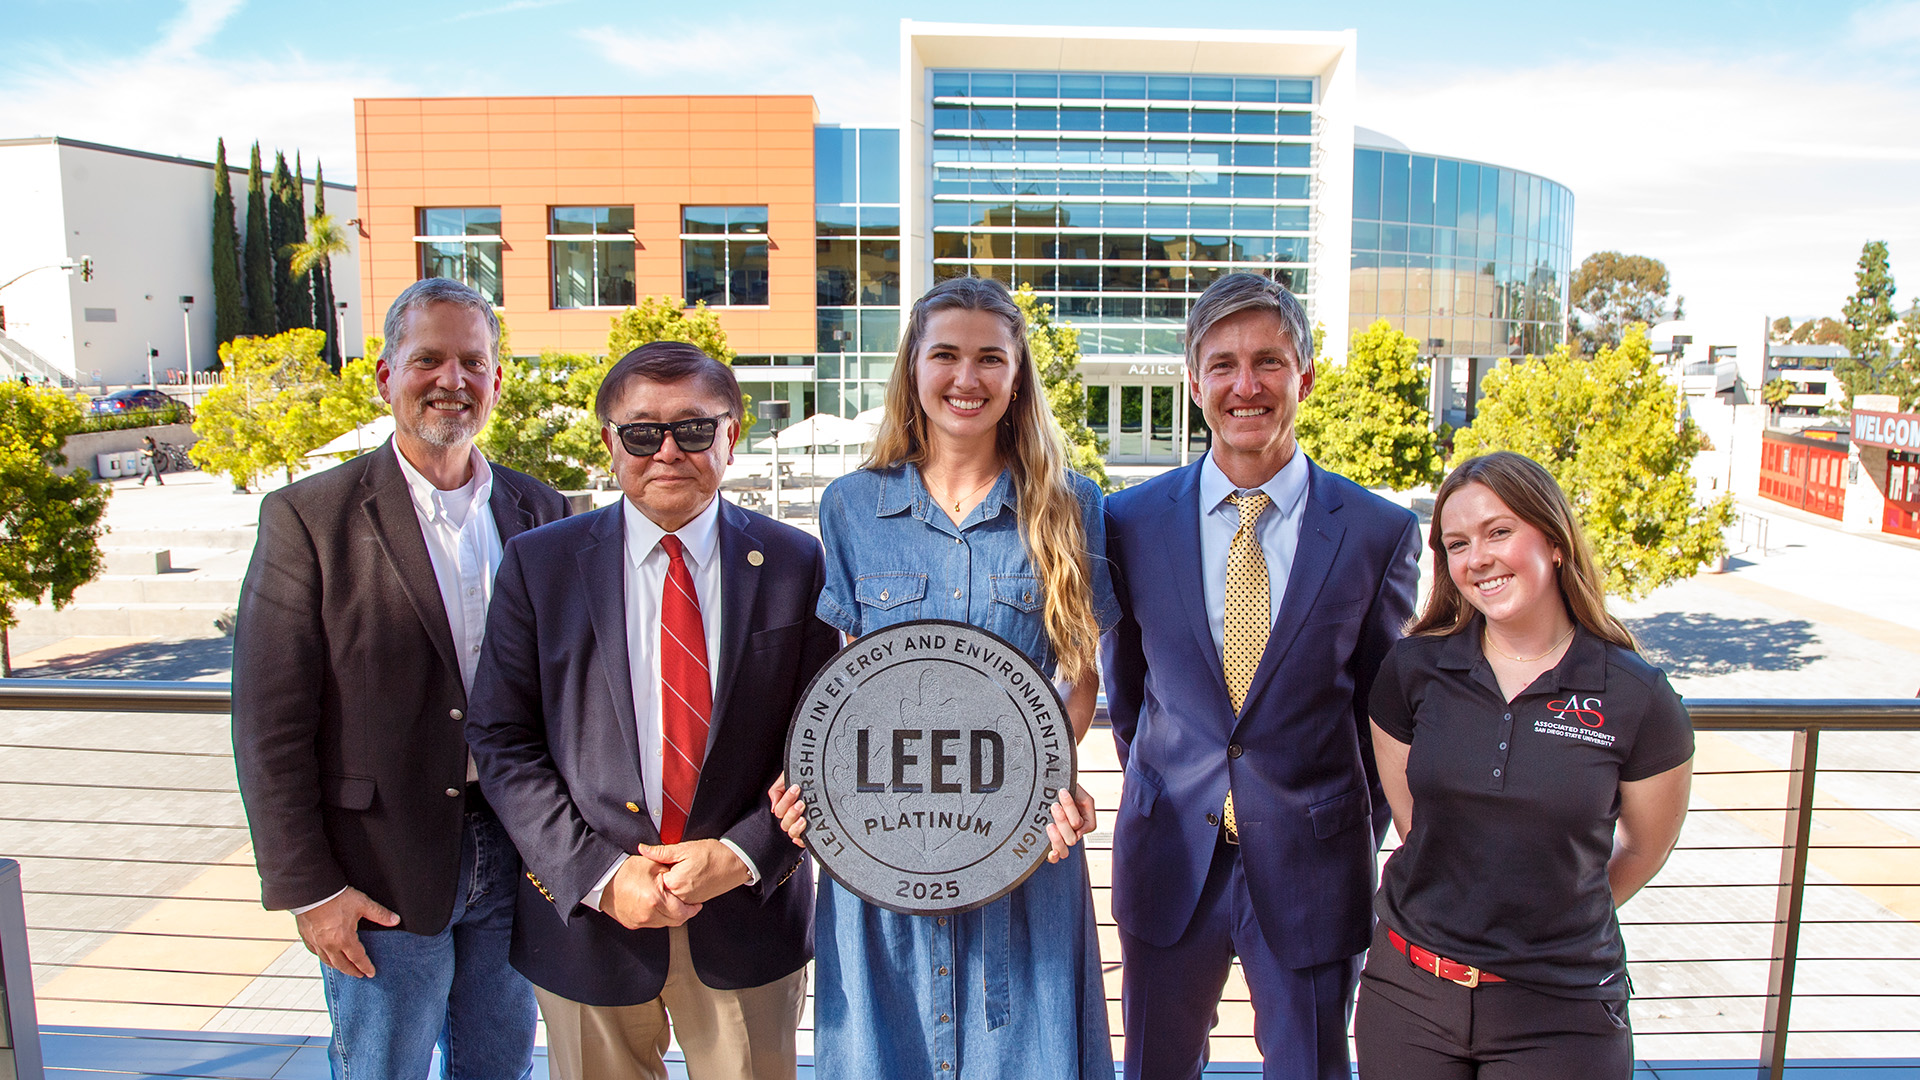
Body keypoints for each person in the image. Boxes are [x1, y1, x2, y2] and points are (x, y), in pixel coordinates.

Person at [770, 275, 1118, 1078]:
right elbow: (844, 679)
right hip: (884, 843)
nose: (968, 378)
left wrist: (1047, 783)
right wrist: (810, 782)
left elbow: (1081, 676)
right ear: (914, 369)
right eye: (947, 355)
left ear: (1018, 375)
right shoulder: (852, 505)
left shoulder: (1069, 504)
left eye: (991, 358)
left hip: (1021, 851)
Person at [466, 341, 837, 1080]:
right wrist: (604, 876)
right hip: (586, 919)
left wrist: (741, 854)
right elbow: (503, 740)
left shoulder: (799, 564)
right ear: (610, 443)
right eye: (642, 432)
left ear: (733, 436)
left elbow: (825, 742)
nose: (668, 450)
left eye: (694, 429)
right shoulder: (540, 566)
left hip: (748, 913)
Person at [232, 277, 567, 1080]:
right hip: (377, 868)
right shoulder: (308, 518)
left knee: (500, 1064)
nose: (452, 380)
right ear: (385, 375)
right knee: (384, 1068)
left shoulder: (542, 509)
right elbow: (269, 723)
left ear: (495, 379)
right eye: (429, 360)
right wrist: (310, 889)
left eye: (472, 362)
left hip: (516, 852)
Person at [1102, 272, 1420, 1080]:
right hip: (1170, 855)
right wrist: (1182, 789)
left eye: (1270, 362)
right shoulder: (1128, 523)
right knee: (1154, 1068)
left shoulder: (1378, 532)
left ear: (1304, 378)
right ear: (1194, 380)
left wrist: (1338, 823)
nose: (1247, 386)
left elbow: (1381, 716)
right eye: (1224, 364)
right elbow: (1131, 697)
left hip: (1314, 865)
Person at [1355, 451, 1694, 1078]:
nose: (1476, 557)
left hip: (1560, 1005)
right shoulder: (1412, 671)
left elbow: (1646, 848)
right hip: (1409, 996)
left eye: (1499, 531)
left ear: (1555, 541)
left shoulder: (1635, 695)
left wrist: (1552, 918)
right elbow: (1413, 822)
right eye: (1457, 543)